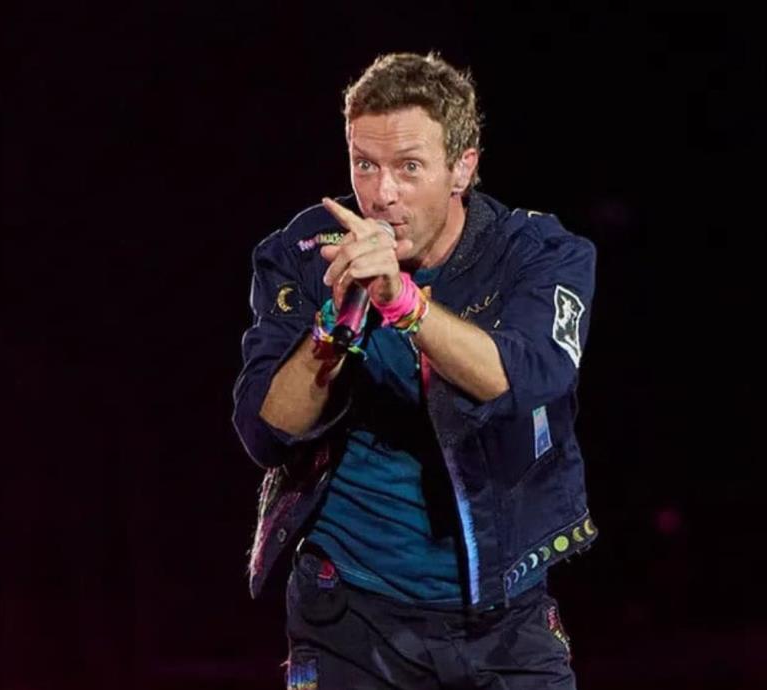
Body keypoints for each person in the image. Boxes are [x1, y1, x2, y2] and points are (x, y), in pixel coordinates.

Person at [232, 52, 597, 690]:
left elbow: (526, 377)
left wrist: (401, 303)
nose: (381, 195)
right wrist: (339, 316)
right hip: (349, 615)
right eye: (364, 164)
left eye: (408, 167)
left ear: (463, 167)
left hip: (504, 619)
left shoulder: (536, 252)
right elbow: (266, 431)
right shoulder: (305, 252)